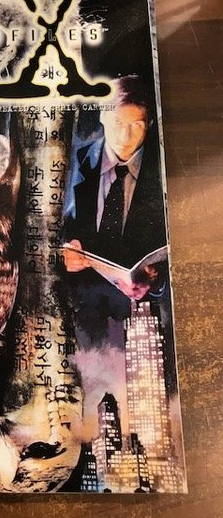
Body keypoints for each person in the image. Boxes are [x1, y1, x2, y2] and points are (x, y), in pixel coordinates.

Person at [62, 75, 167, 346]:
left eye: (136, 125)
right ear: (103, 116)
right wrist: (62, 256)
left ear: (149, 125)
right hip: (77, 314)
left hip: (141, 322)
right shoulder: (70, 161)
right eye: (118, 123)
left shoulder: (165, 174)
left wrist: (156, 281)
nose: (125, 137)